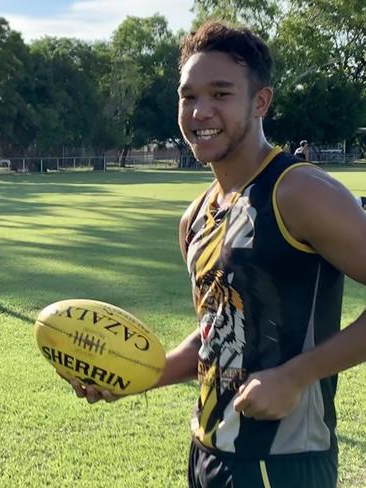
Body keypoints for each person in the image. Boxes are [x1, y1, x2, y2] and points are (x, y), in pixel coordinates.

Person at [68, 21, 366, 487]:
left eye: (221, 94)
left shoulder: (299, 191)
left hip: (284, 460)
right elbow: (216, 333)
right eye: (189, 96)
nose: (201, 111)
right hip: (207, 452)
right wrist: (135, 376)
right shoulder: (195, 217)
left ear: (260, 101)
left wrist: (294, 376)